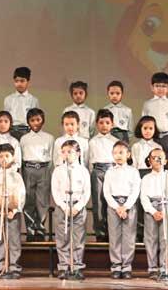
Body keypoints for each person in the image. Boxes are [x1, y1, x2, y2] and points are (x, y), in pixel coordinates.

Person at [51, 140, 90, 280]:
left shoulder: (83, 171)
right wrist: (64, 206)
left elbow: (86, 192)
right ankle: (63, 267)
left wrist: (78, 207)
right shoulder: (58, 170)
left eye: (70, 152)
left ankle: (77, 267)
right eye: (64, 152)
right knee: (63, 238)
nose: (66, 154)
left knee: (78, 239)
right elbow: (55, 191)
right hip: (63, 207)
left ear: (78, 153)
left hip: (78, 207)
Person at [0, 144, 25, 279]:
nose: (4, 159)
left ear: (13, 158)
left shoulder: (16, 176)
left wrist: (15, 209)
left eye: (7, 156)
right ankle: (0, 266)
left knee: (13, 238)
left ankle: (14, 266)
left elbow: (21, 194)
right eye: (1, 156)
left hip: (13, 212)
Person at [103, 141, 141, 279]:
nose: (118, 156)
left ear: (128, 154)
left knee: (129, 237)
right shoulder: (109, 172)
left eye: (121, 152)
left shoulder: (133, 171)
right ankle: (116, 266)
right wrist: (117, 207)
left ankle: (126, 267)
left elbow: (135, 191)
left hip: (129, 205)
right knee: (114, 237)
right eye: (115, 153)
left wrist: (126, 206)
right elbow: (106, 192)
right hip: (114, 205)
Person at [141, 148, 168, 279]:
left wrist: (165, 211)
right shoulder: (146, 178)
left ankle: (164, 269)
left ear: (166, 161)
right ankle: (152, 269)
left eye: (160, 157)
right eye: (154, 157)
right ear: (149, 161)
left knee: (165, 239)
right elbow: (143, 197)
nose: (157, 160)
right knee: (151, 239)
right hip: (151, 209)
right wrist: (153, 211)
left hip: (166, 208)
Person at [20, 108, 53, 241]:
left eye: (38, 120)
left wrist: (46, 170)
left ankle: (40, 229)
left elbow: (51, 157)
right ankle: (30, 229)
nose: (35, 123)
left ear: (43, 121)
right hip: (29, 168)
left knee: (42, 201)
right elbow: (21, 157)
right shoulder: (24, 138)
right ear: (28, 122)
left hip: (43, 168)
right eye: (32, 120)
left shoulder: (49, 138)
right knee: (29, 200)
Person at [131, 115, 163, 241]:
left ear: (155, 130)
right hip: (139, 174)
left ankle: (152, 232)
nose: (148, 131)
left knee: (152, 201)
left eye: (151, 128)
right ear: (140, 129)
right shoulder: (136, 146)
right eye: (145, 128)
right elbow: (134, 164)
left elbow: (159, 164)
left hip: (153, 175)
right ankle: (140, 232)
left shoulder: (158, 147)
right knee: (140, 203)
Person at [142, 72, 168, 173]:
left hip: (167, 138)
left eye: (164, 86)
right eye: (157, 86)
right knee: (152, 165)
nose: (160, 88)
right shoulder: (147, 104)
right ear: (152, 87)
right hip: (153, 138)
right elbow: (144, 122)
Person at [88, 109, 117, 242]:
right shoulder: (92, 141)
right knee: (98, 204)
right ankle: (100, 234)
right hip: (97, 171)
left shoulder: (115, 141)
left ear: (112, 124)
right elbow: (89, 160)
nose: (104, 125)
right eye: (101, 123)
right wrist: (92, 173)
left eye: (107, 122)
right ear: (96, 124)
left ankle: (112, 233)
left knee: (112, 202)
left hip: (112, 171)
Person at [4, 67, 39, 141]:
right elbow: (6, 118)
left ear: (28, 81)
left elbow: (35, 120)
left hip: (28, 131)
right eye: (16, 81)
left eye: (22, 81)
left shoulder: (33, 100)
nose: (19, 84)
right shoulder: (8, 99)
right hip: (12, 131)